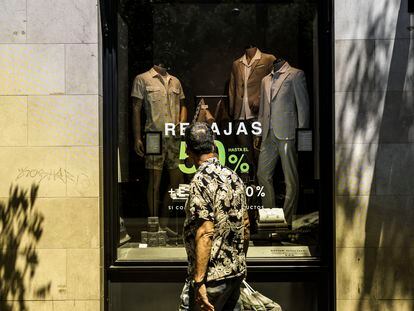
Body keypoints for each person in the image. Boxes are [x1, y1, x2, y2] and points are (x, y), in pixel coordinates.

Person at [179, 122, 250, 311]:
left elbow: (205, 232)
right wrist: (238, 262)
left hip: (212, 278)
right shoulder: (234, 177)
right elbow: (246, 226)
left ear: (188, 151)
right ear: (213, 146)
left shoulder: (200, 181)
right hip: (235, 273)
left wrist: (199, 281)